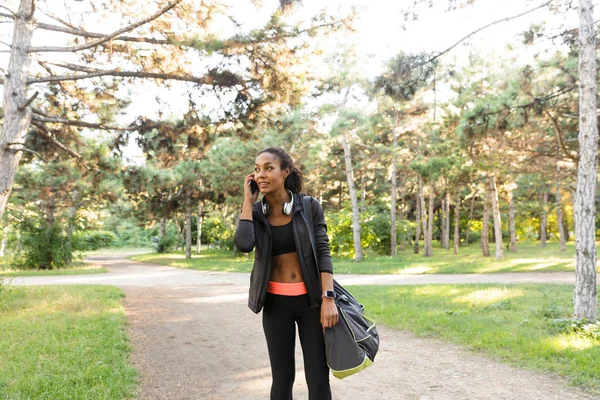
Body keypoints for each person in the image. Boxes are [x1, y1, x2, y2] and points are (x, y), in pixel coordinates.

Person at [234, 147, 338, 400]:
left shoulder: (309, 206)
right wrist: (248, 202)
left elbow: (323, 251)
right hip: (275, 304)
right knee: (282, 379)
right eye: (257, 169)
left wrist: (328, 298)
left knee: (317, 377)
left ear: (285, 171)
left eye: (269, 168)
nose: (261, 174)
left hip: (311, 302)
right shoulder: (256, 213)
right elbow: (244, 244)